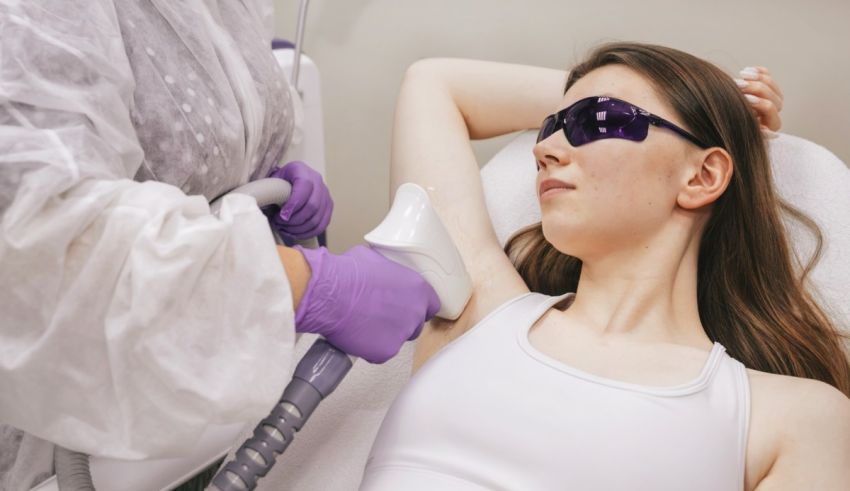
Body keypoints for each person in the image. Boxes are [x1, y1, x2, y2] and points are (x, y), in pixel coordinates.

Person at [360, 43, 850, 490]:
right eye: (552, 126)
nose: (543, 148)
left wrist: (710, 103)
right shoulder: (472, 307)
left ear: (702, 176)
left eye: (596, 121)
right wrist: (707, 99)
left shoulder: (791, 418)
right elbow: (433, 82)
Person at [0, 1, 438, 489]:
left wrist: (256, 189)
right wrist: (307, 283)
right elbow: (41, 242)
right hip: (71, 428)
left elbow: (190, 125)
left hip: (204, 393)